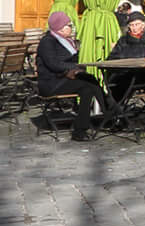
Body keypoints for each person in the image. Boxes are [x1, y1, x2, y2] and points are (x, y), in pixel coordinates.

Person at [35, 10, 105, 139]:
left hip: (63, 79)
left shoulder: (66, 41)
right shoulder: (48, 42)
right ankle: (109, 113)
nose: (71, 28)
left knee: (89, 83)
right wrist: (74, 67)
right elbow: (53, 64)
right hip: (51, 83)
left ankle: (81, 128)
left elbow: (70, 60)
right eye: (69, 25)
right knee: (88, 84)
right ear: (59, 28)